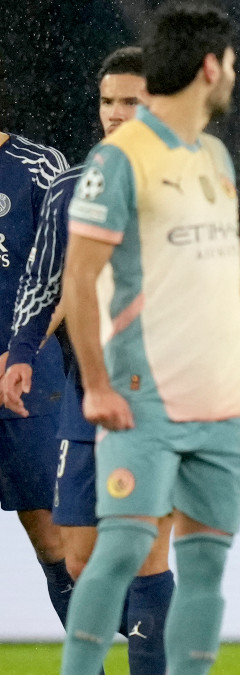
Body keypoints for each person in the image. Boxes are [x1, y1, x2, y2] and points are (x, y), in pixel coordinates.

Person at [58, 5, 240, 674]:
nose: (234, 74)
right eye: (230, 63)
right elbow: (79, 281)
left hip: (222, 403)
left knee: (204, 567)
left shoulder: (216, 158)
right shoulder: (118, 160)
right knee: (117, 554)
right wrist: (95, 383)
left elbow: (228, 276)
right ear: (210, 67)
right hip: (145, 393)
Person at [3, 46, 177, 675]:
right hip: (85, 392)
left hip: (155, 388)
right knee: (79, 555)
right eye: (107, 101)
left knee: (142, 548)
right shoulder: (72, 185)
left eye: (130, 101)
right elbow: (48, 283)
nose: (114, 113)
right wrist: (23, 349)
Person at [0, 90, 71, 634]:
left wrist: (23, 344)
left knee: (56, 541)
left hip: (27, 375)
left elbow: (71, 272)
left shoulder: (38, 167)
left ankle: (145, 632)